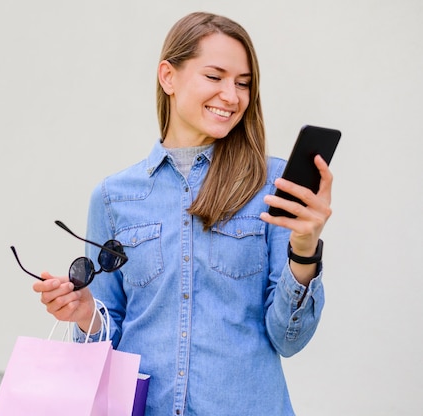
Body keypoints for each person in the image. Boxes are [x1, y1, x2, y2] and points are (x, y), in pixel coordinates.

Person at [32, 11, 332, 415]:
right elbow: (106, 342)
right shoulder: (112, 197)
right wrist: (86, 314)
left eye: (243, 84)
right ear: (168, 77)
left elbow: (289, 338)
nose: (232, 95)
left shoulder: (273, 185)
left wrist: (304, 249)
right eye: (215, 76)